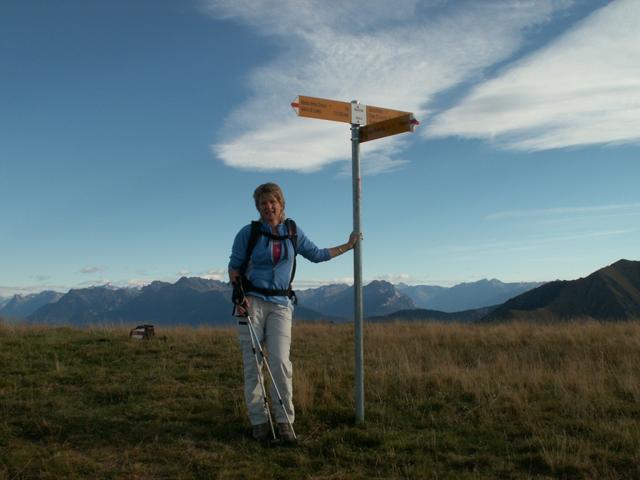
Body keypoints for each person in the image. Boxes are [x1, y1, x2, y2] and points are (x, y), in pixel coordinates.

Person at [229, 182, 358, 443]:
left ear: (281, 203)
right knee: (253, 364)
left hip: (281, 305)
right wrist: (240, 296)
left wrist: (349, 246)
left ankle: (284, 420)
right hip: (251, 301)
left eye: (272, 201)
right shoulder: (248, 232)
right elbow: (234, 268)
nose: (268, 206)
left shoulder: (292, 232)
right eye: (263, 203)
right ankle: (259, 422)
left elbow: (318, 255)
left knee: (280, 362)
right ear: (258, 207)